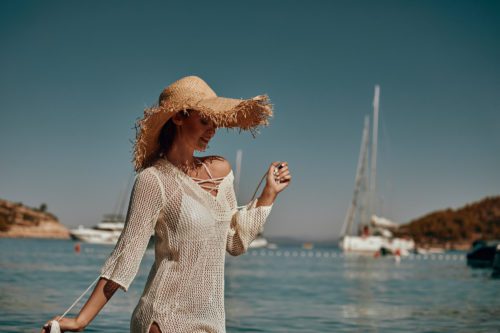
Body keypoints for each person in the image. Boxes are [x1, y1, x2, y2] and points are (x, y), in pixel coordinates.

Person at [42, 76, 291, 333]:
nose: (212, 129)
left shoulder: (221, 170)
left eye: (214, 122)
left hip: (212, 320)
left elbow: (234, 242)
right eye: (205, 120)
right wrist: (80, 321)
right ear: (178, 117)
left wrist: (269, 194)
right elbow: (126, 255)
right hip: (163, 319)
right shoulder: (153, 180)